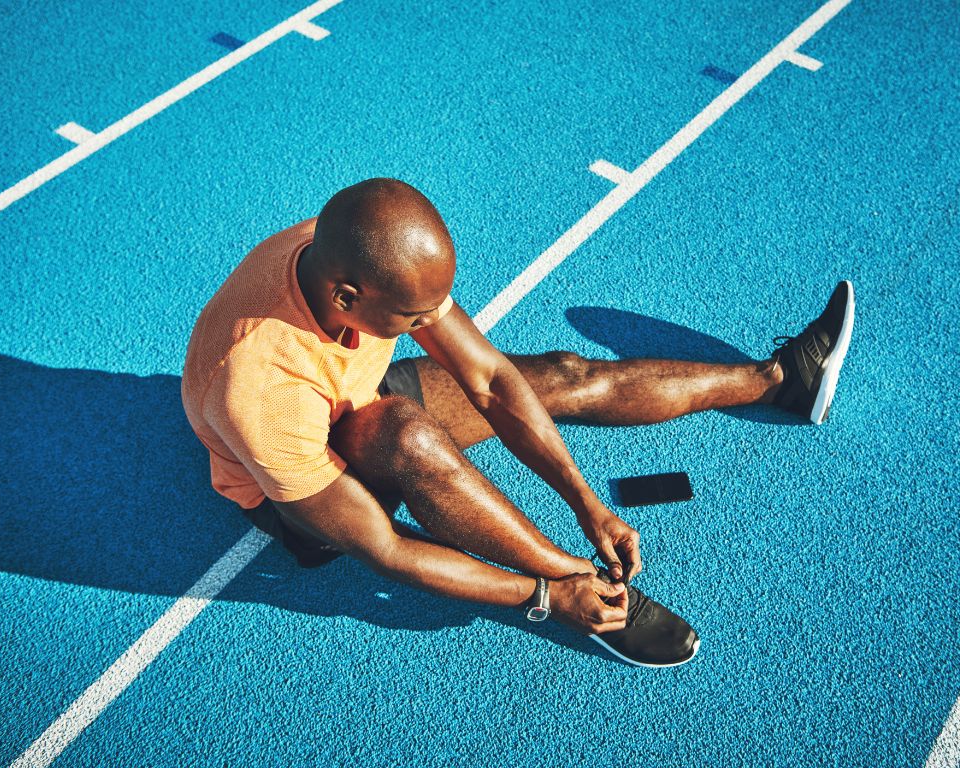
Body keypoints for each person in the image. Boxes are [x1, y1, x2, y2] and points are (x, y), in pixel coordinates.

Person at [181, 178, 854, 667]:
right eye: (418, 318)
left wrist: (586, 501)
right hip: (298, 477)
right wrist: (540, 596)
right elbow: (381, 548)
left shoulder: (354, 255)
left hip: (350, 389)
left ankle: (778, 382)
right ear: (347, 298)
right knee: (407, 435)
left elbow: (492, 381)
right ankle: (579, 588)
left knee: (562, 373)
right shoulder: (260, 385)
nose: (433, 324)